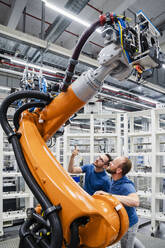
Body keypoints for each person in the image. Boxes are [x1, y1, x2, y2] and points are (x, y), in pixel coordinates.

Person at [95, 156, 140, 248]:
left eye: (113, 163)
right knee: (131, 240)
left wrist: (107, 195)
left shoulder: (126, 185)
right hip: (121, 221)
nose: (110, 163)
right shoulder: (114, 179)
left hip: (129, 224)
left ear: (119, 170)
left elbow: (135, 202)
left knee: (127, 244)